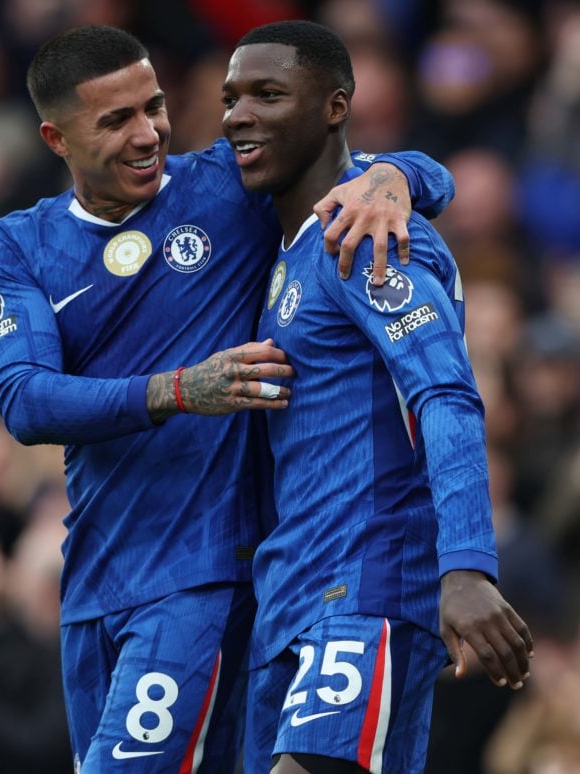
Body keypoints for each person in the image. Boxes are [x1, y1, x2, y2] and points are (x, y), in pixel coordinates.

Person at [0, 24, 453, 772]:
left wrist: (398, 178)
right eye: (116, 121)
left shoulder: (225, 188)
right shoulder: (20, 244)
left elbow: (359, 164)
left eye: (154, 107)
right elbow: (27, 402)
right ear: (55, 138)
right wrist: (178, 389)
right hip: (95, 578)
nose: (149, 135)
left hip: (203, 576)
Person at [221, 20, 532, 773]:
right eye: (231, 98)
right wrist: (405, 170)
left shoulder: (364, 237)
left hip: (367, 582)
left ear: (335, 106)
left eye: (268, 94)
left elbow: (447, 396)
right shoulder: (283, 247)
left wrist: (465, 566)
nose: (239, 115)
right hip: (290, 596)